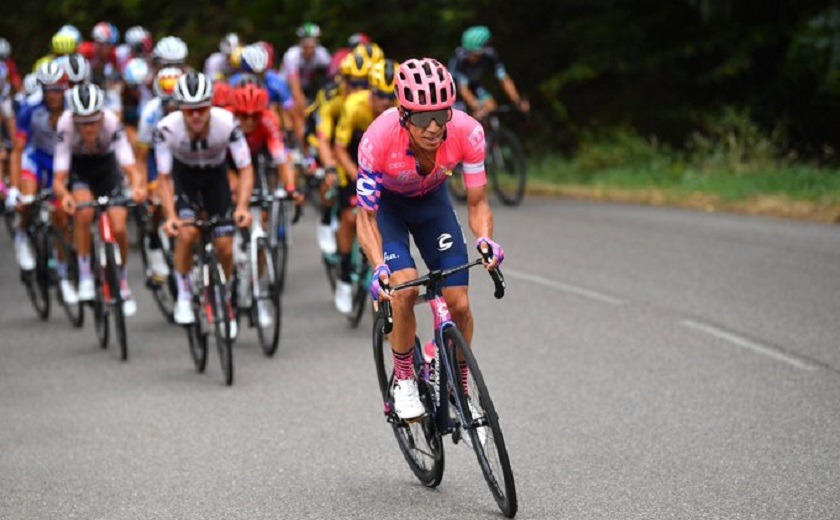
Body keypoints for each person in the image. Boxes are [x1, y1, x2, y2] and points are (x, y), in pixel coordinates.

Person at [355, 58, 504, 419]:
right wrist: (378, 267)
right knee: (404, 289)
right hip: (389, 210)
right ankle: (405, 378)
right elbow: (366, 217)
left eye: (442, 114)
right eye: (422, 118)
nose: (434, 126)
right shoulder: (377, 139)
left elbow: (478, 201)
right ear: (404, 114)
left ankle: (458, 385)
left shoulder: (468, 132)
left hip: (432, 205)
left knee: (460, 304)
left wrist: (485, 240)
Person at [154, 71, 254, 336]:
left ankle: (225, 299)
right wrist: (170, 215)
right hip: (184, 178)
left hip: (215, 178)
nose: (195, 115)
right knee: (187, 234)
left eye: (201, 109)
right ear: (180, 109)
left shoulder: (228, 123)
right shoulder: (166, 128)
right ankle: (185, 295)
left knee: (225, 246)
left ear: (210, 106)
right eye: (189, 110)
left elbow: (245, 168)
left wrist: (242, 206)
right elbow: (163, 178)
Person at [52, 83, 146, 316]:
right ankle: (84, 274)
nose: (89, 128)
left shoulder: (112, 123)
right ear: (74, 120)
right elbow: (59, 178)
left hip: (107, 169)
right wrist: (65, 197)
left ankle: (121, 282)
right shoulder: (65, 125)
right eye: (83, 124)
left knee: (119, 227)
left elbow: (131, 167)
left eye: (94, 121)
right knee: (83, 212)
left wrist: (136, 187)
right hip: (80, 169)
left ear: (102, 116)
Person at [331, 59, 398, 314]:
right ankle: (345, 278)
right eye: (379, 95)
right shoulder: (354, 106)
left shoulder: (398, 111)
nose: (384, 102)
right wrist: (359, 178)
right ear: (370, 92)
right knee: (350, 217)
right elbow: (339, 148)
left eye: (390, 96)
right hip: (353, 158)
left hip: (382, 158)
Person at [448, 25, 529, 120]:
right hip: (454, 92)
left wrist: (517, 100)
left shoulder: (490, 55)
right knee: (459, 119)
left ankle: (488, 132)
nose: (471, 57)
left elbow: (504, 79)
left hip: (474, 86)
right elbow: (463, 89)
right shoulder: (459, 60)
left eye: (475, 54)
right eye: (468, 52)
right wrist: (477, 107)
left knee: (491, 107)